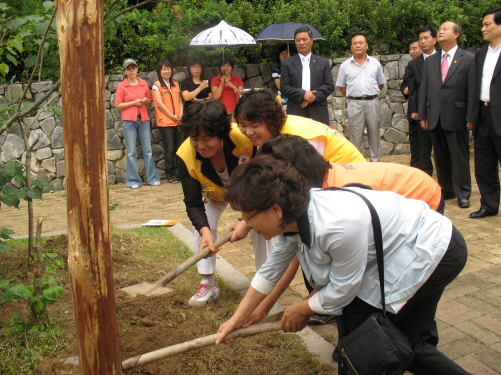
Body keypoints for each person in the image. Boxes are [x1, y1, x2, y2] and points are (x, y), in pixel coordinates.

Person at [217, 155, 470, 375]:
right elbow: (270, 271)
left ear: (275, 211)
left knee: (366, 335)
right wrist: (235, 320)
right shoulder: (292, 216)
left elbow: (343, 290)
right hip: (407, 248)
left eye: (249, 218)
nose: (248, 225)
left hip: (434, 250)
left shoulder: (336, 225)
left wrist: (303, 308)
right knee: (397, 342)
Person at [242, 134, 444, 327]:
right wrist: (268, 307)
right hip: (387, 215)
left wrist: (308, 306)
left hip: (421, 196)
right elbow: (289, 253)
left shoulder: (334, 206)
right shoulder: (305, 198)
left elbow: (341, 277)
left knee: (403, 306)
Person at [176, 99, 273, 308]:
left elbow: (264, 182)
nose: (200, 145)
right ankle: (207, 283)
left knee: (261, 227)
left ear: (221, 133)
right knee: (202, 228)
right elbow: (193, 203)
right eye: (194, 138)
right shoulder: (185, 156)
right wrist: (205, 231)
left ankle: (265, 285)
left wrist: (248, 220)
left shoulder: (245, 142)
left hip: (248, 191)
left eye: (207, 138)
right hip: (213, 193)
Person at [419, 21, 475, 209]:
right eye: (440, 29)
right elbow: (424, 89)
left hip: (457, 115)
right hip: (434, 116)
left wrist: (470, 116)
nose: (441, 31)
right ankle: (448, 189)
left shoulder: (467, 58)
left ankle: (463, 192)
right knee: (440, 156)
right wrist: (423, 113)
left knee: (459, 156)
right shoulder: (431, 61)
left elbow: (471, 90)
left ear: (456, 34)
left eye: (445, 29)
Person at [233, 89, 366, 163]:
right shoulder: (271, 132)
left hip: (352, 179)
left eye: (255, 126)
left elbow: (306, 182)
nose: (249, 132)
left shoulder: (298, 139)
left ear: (271, 119)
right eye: (243, 125)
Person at [336, 32, 387, 162]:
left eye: (361, 43)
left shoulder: (375, 63)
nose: (358, 45)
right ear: (351, 47)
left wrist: (370, 93)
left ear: (366, 45)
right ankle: (358, 163)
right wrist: (353, 96)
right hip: (354, 103)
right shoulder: (345, 65)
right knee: (355, 135)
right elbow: (341, 87)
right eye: (355, 43)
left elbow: (381, 83)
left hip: (372, 102)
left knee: (374, 133)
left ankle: (375, 161)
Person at [470, 8, 501, 219]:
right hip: (483, 114)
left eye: (487, 24)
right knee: (484, 164)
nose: (483, 28)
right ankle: (489, 205)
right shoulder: (480, 53)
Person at [115, 58, 160, 189]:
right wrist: (134, 103)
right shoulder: (122, 85)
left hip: (144, 119)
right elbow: (118, 104)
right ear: (124, 71)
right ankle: (133, 180)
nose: (131, 70)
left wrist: (146, 100)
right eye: (128, 68)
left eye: (133, 68)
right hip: (129, 121)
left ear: (137, 69)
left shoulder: (143, 83)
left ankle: (152, 178)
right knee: (131, 152)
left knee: (148, 150)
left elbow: (149, 99)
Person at [280, 27, 334, 125]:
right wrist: (303, 95)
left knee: (319, 139)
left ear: (311, 41)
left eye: (304, 39)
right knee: (296, 140)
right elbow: (284, 87)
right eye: (298, 40)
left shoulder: (323, 62)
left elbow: (329, 86)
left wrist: (311, 97)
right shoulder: (287, 63)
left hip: (318, 110)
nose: (301, 43)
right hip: (296, 110)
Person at [404, 26, 437, 176]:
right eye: (420, 39)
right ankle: (423, 179)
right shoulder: (413, 65)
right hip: (421, 113)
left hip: (442, 112)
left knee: (444, 151)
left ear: (435, 39)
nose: (423, 42)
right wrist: (416, 110)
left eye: (426, 38)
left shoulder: (444, 59)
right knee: (422, 151)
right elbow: (413, 90)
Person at [152, 59, 184, 184]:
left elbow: (180, 100)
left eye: (168, 68)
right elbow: (159, 103)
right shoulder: (157, 85)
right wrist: (172, 116)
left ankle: (182, 173)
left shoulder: (175, 84)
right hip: (165, 122)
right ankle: (171, 175)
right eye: (164, 69)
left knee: (180, 148)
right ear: (159, 71)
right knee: (170, 148)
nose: (166, 71)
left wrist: (181, 113)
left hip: (178, 121)